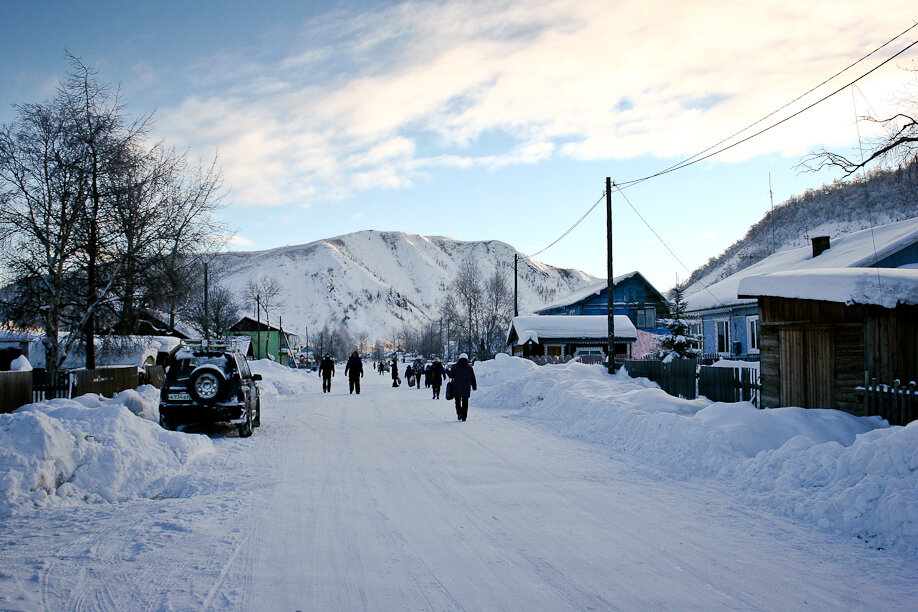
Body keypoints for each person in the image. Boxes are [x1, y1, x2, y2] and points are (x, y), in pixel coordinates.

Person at [448, 353, 476, 421]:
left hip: (457, 387)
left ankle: (459, 413)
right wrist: (474, 386)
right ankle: (464, 416)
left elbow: (451, 375)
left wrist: (447, 371)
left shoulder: (455, 366)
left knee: (457, 401)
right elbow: (473, 377)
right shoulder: (469, 367)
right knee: (465, 402)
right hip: (466, 387)